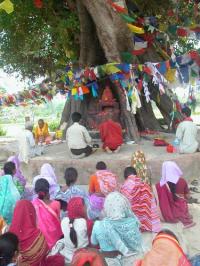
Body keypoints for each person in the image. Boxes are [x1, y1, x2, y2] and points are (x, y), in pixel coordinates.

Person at [91, 192, 142, 264]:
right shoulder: (133, 222)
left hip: (108, 260)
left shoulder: (101, 225)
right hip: (134, 261)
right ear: (124, 205)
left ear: (107, 206)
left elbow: (94, 242)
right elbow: (138, 245)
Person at [9, 200, 65, 266]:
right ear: (32, 213)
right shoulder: (38, 235)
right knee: (59, 260)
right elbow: (44, 254)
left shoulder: (8, 235)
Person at [51, 197, 93, 264]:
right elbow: (92, 242)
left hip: (67, 258)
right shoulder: (87, 223)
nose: (86, 208)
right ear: (81, 208)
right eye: (85, 206)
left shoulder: (64, 221)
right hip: (83, 259)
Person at [155, 161, 195, 228]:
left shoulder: (159, 186)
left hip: (164, 213)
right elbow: (188, 196)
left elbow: (157, 201)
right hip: (180, 208)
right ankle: (183, 213)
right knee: (182, 201)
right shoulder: (182, 181)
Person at [121, 167, 161, 233]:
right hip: (144, 214)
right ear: (135, 173)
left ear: (125, 175)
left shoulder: (125, 185)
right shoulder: (144, 184)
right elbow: (151, 201)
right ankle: (144, 225)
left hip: (133, 216)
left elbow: (124, 202)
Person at [32, 178, 63, 248]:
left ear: (36, 191)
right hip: (55, 238)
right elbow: (58, 220)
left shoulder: (33, 205)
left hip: (40, 241)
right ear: (48, 189)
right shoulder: (56, 204)